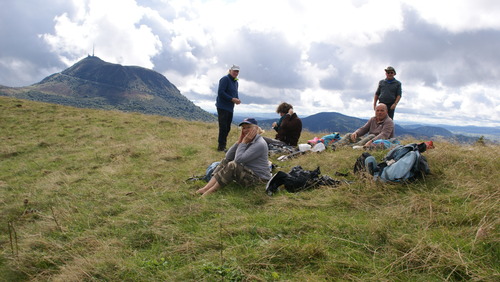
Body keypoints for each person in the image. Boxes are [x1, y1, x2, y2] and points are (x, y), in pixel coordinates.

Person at [197, 118, 271, 197]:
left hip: (259, 180)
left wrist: (243, 142)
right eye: (243, 128)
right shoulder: (248, 140)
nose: (245, 130)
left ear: (256, 128)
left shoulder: (259, 144)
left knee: (233, 165)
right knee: (225, 161)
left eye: (248, 127)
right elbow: (228, 156)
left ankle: (210, 192)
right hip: (249, 172)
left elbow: (238, 160)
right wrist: (239, 142)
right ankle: (206, 188)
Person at [216, 64, 241, 151]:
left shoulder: (236, 82)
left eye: (237, 71)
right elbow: (221, 93)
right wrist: (232, 99)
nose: (236, 73)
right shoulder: (225, 79)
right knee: (223, 127)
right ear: (230, 71)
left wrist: (237, 99)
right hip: (222, 106)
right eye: (234, 71)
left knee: (228, 127)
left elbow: (235, 93)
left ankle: (223, 145)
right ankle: (221, 147)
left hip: (230, 107)